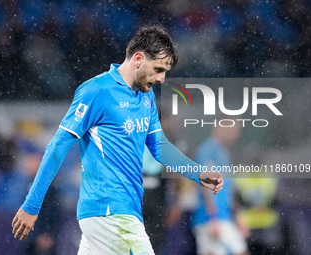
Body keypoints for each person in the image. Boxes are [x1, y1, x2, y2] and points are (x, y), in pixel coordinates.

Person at [12, 25, 224, 255]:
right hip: (110, 212)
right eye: (158, 69)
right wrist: (32, 205)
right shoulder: (97, 91)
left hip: (123, 212)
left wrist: (198, 173)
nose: (162, 79)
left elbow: (160, 147)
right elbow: (57, 147)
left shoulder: (146, 97)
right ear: (139, 58)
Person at [191, 121, 248, 255]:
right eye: (232, 130)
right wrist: (213, 218)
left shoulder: (223, 152)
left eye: (236, 131)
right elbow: (206, 185)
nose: (235, 135)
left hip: (224, 217)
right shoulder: (208, 150)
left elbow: (228, 189)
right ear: (218, 128)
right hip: (211, 218)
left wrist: (237, 216)